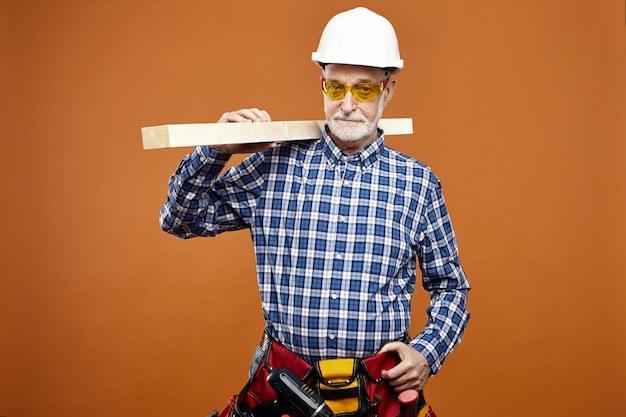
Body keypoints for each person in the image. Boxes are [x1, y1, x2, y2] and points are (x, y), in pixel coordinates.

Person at [160, 7, 470, 417]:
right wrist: (218, 147)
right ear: (321, 83)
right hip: (284, 392)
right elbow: (179, 218)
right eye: (335, 87)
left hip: (378, 397)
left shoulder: (416, 184)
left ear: (388, 90)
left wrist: (426, 354)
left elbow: (452, 288)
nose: (346, 104)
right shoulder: (273, 166)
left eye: (363, 90)